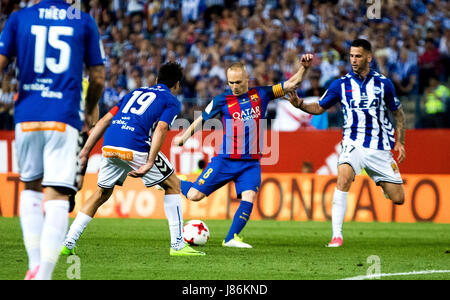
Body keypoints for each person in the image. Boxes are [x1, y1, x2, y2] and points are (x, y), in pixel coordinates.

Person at [0, 0, 106, 280]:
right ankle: (43, 275)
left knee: (31, 187)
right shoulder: (83, 21)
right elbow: (97, 78)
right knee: (58, 194)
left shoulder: (19, 18)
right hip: (64, 116)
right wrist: (88, 108)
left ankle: (34, 266)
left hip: (27, 115)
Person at [61, 62, 205, 257]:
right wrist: (150, 161)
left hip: (110, 144)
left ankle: (68, 242)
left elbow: (104, 120)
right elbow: (162, 128)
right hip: (134, 145)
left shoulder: (133, 93)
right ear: (177, 85)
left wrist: (86, 150)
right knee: (172, 185)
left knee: (101, 193)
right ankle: (178, 245)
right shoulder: (170, 100)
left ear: (156, 80)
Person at [174, 54, 314, 248]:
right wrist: (184, 137)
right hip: (225, 160)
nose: (234, 86)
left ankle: (231, 238)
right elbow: (202, 119)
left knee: (249, 196)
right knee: (194, 196)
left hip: (251, 162)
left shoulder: (261, 94)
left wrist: (304, 69)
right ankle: (173, 181)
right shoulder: (221, 100)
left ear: (247, 79)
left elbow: (291, 84)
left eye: (238, 82)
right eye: (231, 82)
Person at [287, 39, 406, 247]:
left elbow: (399, 114)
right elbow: (320, 108)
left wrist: (401, 142)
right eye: (351, 55)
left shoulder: (383, 84)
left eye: (358, 56)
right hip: (353, 143)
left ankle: (380, 181)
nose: (353, 60)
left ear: (369, 57)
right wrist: (300, 105)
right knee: (343, 177)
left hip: (379, 148)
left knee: (398, 198)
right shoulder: (340, 84)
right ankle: (336, 236)